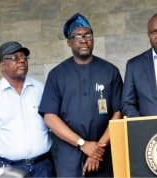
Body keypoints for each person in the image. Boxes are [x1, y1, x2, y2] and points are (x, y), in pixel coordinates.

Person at [38, 12, 123, 177]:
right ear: (69, 42)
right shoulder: (57, 75)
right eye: (77, 36)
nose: (83, 40)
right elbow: (50, 118)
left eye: (88, 35)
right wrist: (83, 144)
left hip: (104, 155)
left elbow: (118, 113)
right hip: (68, 157)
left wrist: (98, 148)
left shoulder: (110, 71)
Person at [0, 41, 55, 177]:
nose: (22, 61)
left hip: (43, 167)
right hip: (9, 169)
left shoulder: (40, 89)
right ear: (2, 65)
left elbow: (52, 125)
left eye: (24, 57)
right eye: (14, 58)